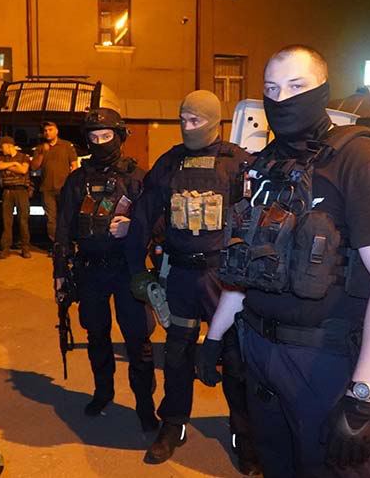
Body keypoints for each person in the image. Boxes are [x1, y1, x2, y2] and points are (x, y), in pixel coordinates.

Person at [201, 45, 370, 477]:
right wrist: (214, 337)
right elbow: (246, 268)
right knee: (276, 465)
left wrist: (363, 396)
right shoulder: (263, 166)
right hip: (260, 353)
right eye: (271, 89)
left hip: (323, 362)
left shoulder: (361, 160)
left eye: (296, 86)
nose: (282, 99)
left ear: (323, 90)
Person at [125, 90, 261, 474]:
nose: (187, 127)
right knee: (177, 354)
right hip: (181, 275)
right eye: (183, 119)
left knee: (233, 358)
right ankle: (174, 425)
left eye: (195, 120)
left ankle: (243, 435)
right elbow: (143, 217)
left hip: (223, 278)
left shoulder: (238, 163)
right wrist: (137, 268)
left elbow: (258, 221)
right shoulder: (169, 162)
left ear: (214, 120)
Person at [53, 108, 158, 432]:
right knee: (96, 336)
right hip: (90, 272)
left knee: (138, 341)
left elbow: (158, 225)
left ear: (120, 136)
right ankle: (103, 392)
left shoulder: (138, 178)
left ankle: (145, 405)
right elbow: (63, 229)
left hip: (128, 271)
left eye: (106, 136)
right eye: (94, 137)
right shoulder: (77, 180)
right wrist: (59, 272)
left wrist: (132, 225)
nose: (100, 143)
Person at [31, 121, 78, 248]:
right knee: (51, 219)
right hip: (47, 189)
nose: (47, 132)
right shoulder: (40, 148)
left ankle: (66, 244)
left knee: (65, 217)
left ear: (56, 131)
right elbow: (34, 167)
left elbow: (74, 166)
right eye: (45, 130)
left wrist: (71, 184)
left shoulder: (66, 145)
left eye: (50, 129)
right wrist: (42, 153)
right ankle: (56, 245)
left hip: (64, 188)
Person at [0, 136, 31, 259]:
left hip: (21, 191)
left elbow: (23, 170)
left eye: (2, 147)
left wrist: (8, 166)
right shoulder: (2, 158)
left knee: (23, 221)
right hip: (7, 191)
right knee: (7, 221)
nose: (1, 149)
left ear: (8, 145)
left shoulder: (24, 157)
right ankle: (5, 248)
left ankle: (25, 248)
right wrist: (15, 164)